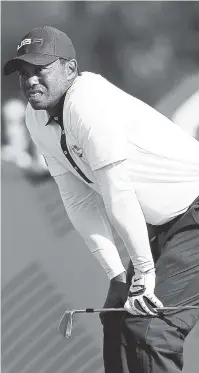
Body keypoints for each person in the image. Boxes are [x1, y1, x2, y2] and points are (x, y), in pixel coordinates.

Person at [4, 26, 199, 373]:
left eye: (40, 69)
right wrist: (116, 276)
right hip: (169, 225)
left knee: (152, 328)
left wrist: (143, 273)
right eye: (23, 73)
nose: (30, 80)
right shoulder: (37, 117)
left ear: (70, 68)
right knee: (119, 318)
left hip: (194, 216)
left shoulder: (87, 103)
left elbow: (117, 191)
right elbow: (77, 200)